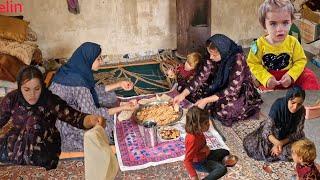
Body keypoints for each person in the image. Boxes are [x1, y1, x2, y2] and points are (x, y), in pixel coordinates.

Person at [0, 66, 105, 170]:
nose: (32, 95)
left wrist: (92, 120)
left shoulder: (50, 100)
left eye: (37, 89)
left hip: (43, 142)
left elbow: (75, 117)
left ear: (42, 86)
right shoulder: (12, 99)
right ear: (19, 87)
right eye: (26, 89)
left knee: (43, 158)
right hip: (16, 141)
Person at [49, 42, 138, 151]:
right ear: (89, 59)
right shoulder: (78, 83)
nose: (101, 61)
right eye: (98, 59)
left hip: (67, 109)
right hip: (64, 123)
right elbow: (92, 114)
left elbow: (93, 90)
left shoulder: (72, 69)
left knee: (109, 97)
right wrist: (123, 108)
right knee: (104, 126)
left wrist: (119, 84)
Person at [173, 34, 263, 126]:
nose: (211, 57)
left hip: (236, 90)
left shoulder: (237, 59)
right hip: (216, 83)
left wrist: (206, 100)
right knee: (189, 91)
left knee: (224, 111)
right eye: (210, 53)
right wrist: (183, 95)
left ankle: (212, 103)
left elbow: (232, 90)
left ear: (223, 52)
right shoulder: (211, 55)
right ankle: (208, 101)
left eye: (214, 55)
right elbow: (201, 77)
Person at [247, 0, 320, 90]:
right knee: (247, 80)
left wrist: (291, 75)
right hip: (269, 78)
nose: (280, 29)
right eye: (273, 24)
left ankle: (310, 101)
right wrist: (266, 78)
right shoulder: (258, 44)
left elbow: (300, 61)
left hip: (289, 76)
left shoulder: (293, 42)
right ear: (264, 26)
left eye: (285, 23)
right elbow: (253, 63)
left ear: (291, 22)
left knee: (309, 75)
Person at [243, 86, 306, 162]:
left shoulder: (302, 111)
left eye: (299, 104)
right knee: (251, 146)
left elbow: (297, 133)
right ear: (287, 99)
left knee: (296, 152)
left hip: (288, 138)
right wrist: (276, 142)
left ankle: (279, 151)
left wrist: (281, 143)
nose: (295, 107)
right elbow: (266, 130)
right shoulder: (278, 105)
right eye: (293, 103)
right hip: (273, 135)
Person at [184, 106, 230, 180]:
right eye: (206, 123)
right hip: (199, 163)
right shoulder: (192, 139)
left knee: (225, 152)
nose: (209, 124)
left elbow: (201, 145)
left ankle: (214, 164)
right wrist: (194, 176)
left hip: (206, 154)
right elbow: (187, 161)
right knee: (222, 169)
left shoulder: (198, 131)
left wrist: (203, 148)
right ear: (197, 125)